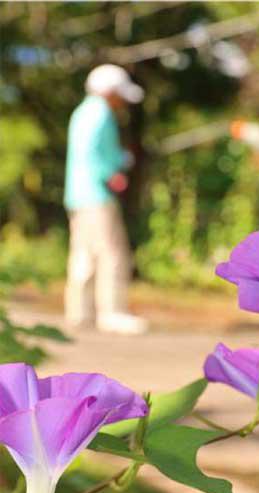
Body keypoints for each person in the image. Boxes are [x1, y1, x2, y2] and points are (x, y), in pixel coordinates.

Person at [64, 64, 148, 335]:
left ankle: (80, 313)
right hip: (96, 195)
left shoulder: (82, 112)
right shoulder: (101, 114)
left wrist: (118, 160)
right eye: (120, 94)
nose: (122, 101)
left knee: (83, 254)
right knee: (112, 253)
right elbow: (93, 154)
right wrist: (113, 171)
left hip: (77, 195)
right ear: (109, 91)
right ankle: (112, 313)